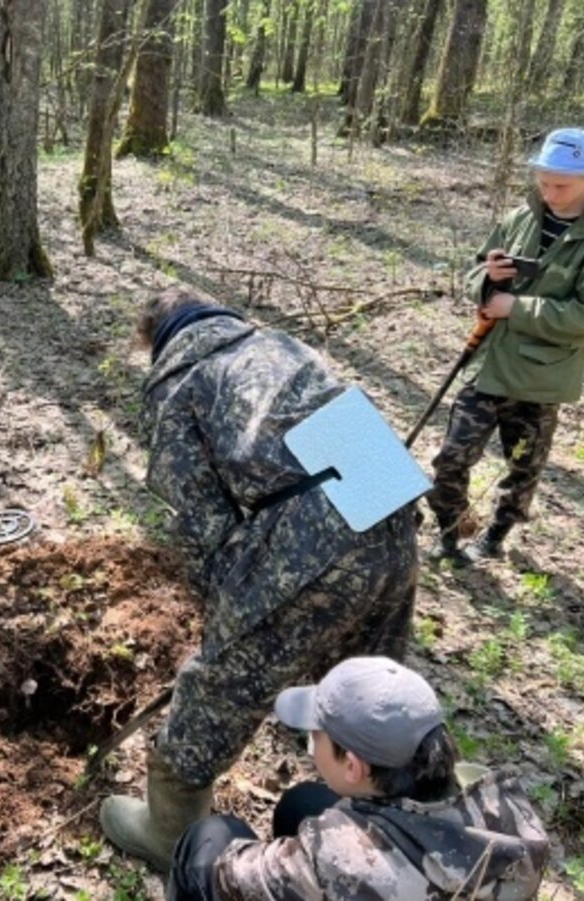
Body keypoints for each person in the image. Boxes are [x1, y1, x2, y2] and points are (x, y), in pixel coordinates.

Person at [100, 292, 419, 872]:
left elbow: (204, 523)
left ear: (155, 339)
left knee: (215, 683)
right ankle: (400, 824)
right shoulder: (278, 344)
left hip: (313, 524)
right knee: (369, 680)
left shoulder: (178, 384)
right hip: (387, 498)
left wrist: (226, 623)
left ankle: (169, 830)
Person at [166, 657, 549, 899]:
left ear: (354, 766)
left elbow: (228, 877)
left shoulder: (335, 856)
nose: (310, 747)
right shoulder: (512, 815)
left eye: (315, 737)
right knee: (304, 802)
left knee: (209, 839)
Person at [426, 127, 584, 563]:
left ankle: (495, 539)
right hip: (488, 363)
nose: (550, 192)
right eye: (544, 181)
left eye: (562, 184)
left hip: (542, 375)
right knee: (450, 458)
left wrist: (514, 307)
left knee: (522, 470)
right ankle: (447, 535)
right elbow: (476, 274)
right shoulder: (523, 216)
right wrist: (487, 280)